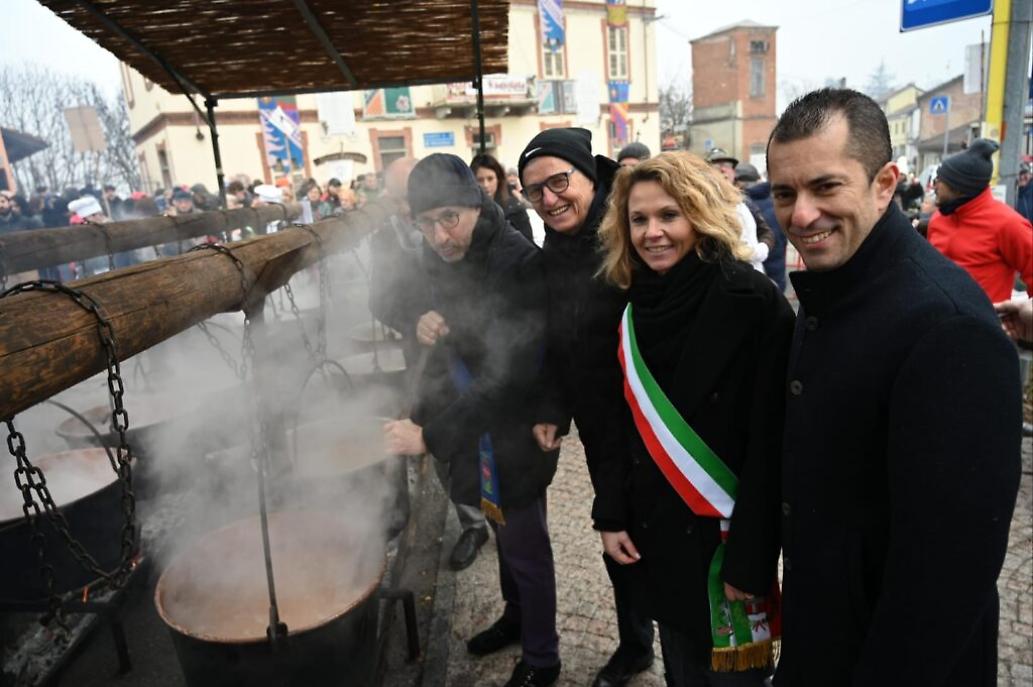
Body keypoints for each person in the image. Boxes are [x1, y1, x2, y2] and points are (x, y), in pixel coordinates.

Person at [766, 88, 1022, 687]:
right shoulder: (836, 285)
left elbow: (948, 575)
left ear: (884, 184)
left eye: (825, 187)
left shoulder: (948, 326)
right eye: (785, 193)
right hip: (826, 640)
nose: (801, 215)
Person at [594, 152, 794, 686]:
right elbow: (617, 423)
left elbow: (772, 445)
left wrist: (751, 560)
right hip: (657, 535)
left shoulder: (753, 303)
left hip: (728, 546)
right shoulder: (630, 304)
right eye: (639, 219)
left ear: (701, 215)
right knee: (680, 668)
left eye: (669, 215)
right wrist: (610, 513)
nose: (652, 233)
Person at [383, 153, 561, 687]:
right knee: (501, 528)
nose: (439, 236)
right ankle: (516, 617)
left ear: (476, 206)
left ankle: (543, 659)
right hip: (473, 419)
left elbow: (509, 376)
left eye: (449, 219)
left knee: (526, 544)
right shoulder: (439, 251)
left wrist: (429, 436)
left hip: (516, 422)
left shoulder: (516, 262)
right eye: (426, 223)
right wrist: (418, 318)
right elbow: (397, 295)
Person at [519, 127, 656, 687]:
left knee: (666, 533)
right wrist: (553, 407)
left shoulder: (630, 230)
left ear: (590, 177)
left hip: (656, 420)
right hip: (603, 423)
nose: (549, 199)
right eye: (535, 191)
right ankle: (636, 644)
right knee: (617, 531)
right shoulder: (554, 251)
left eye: (559, 182)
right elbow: (558, 340)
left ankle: (691, 649)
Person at [927, 139, 1032, 303]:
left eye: (939, 181)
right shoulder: (938, 219)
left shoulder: (1008, 223)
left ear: (958, 187)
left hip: (985, 318)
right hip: (934, 316)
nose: (934, 187)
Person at [705, 148, 773, 273]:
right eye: (716, 166)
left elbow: (765, 231)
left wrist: (762, 248)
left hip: (756, 273)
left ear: (733, 172)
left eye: (727, 165)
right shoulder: (704, 204)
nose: (723, 169)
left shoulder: (744, 201)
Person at [735, 162, 787, 292]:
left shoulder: (744, 205)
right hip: (777, 272)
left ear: (739, 183)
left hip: (758, 276)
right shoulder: (775, 199)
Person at [471, 153, 533, 243]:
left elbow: (528, 245)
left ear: (498, 179)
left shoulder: (515, 211)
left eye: (490, 179)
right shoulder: (467, 213)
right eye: (480, 180)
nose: (485, 185)